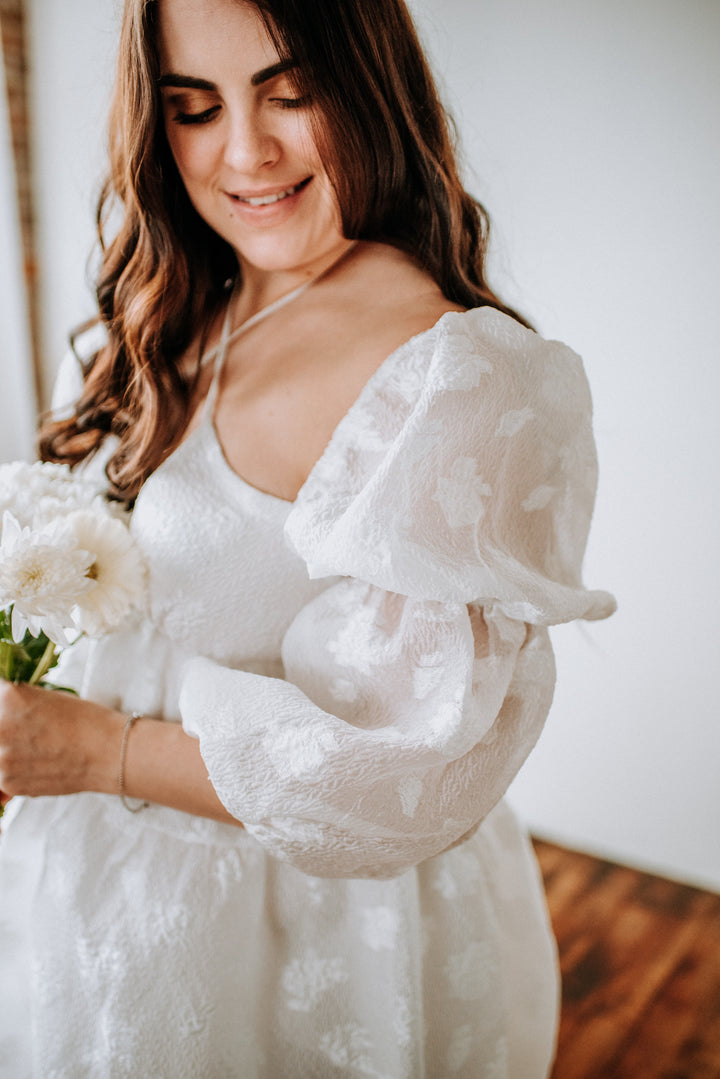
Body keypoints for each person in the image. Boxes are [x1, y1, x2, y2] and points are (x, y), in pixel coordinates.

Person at [0, 0, 615, 1075]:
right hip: (90, 884)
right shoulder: (163, 296)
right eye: (195, 108)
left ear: (372, 83)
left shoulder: (452, 381)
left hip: (282, 932)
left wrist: (98, 751)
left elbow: (403, 769)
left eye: (291, 93)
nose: (246, 152)